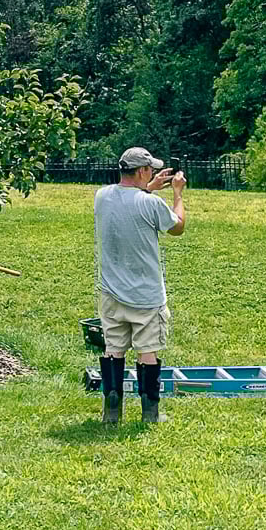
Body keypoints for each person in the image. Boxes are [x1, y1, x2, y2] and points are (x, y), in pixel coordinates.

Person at [94, 146, 187, 425]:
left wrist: (148, 188)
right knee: (147, 351)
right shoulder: (151, 204)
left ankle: (112, 409)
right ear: (144, 171)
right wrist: (178, 193)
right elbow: (177, 226)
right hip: (146, 295)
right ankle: (150, 413)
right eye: (151, 169)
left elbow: (127, 199)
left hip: (110, 291)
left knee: (114, 350)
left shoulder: (102, 197)